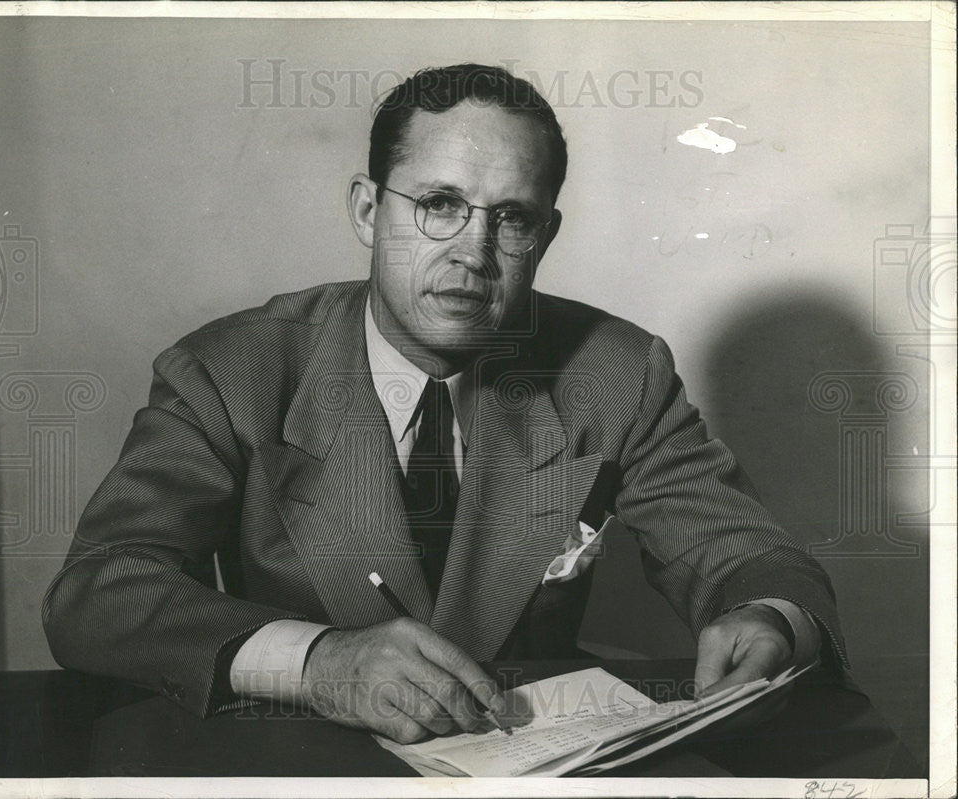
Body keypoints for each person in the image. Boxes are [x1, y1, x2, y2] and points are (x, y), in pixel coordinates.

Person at [43, 64, 846, 745]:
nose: (473, 251)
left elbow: (746, 555)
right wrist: (320, 660)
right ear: (368, 210)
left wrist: (770, 618)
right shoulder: (231, 369)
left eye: (512, 219)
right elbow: (100, 591)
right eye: (438, 204)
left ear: (546, 234)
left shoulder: (616, 370)